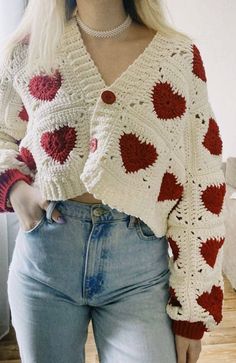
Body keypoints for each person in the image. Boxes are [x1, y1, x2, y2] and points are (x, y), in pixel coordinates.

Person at [0, 0, 226, 362]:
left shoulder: (177, 56)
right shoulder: (28, 50)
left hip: (139, 272)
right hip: (45, 262)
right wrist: (14, 188)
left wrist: (191, 313)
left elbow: (201, 183)